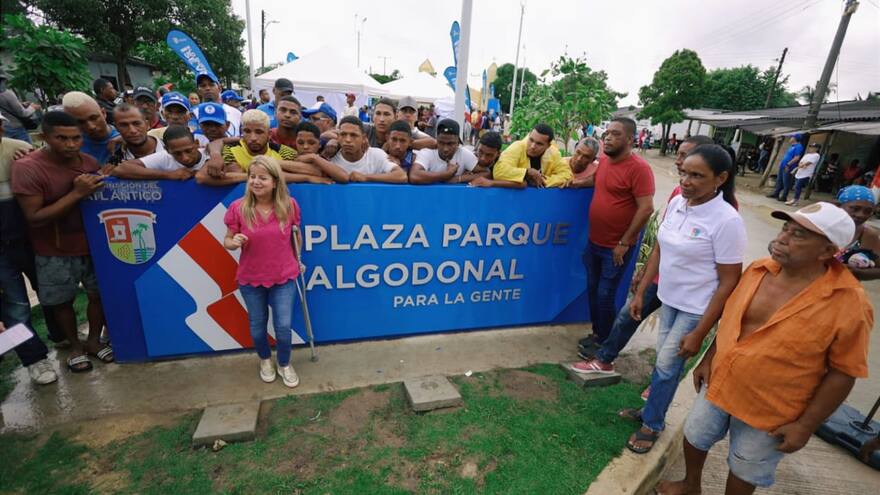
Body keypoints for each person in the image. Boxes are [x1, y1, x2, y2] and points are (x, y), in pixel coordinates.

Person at [655, 202, 870, 495]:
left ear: (827, 251)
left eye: (798, 235)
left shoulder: (849, 304)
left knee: (746, 465)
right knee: (695, 434)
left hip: (771, 407)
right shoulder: (758, 270)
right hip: (719, 381)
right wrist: (709, 358)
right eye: (785, 228)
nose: (782, 238)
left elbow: (844, 373)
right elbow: (732, 320)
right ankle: (690, 484)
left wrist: (805, 426)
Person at [618, 144, 745, 455]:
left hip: (697, 308)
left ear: (720, 178)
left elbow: (730, 281)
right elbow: (660, 249)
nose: (686, 181)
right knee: (665, 362)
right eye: (684, 173)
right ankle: (652, 412)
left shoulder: (727, 220)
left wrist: (700, 331)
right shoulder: (678, 203)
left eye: (697, 176)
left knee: (666, 364)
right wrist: (641, 292)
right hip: (669, 299)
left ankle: (652, 423)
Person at [573, 136, 716, 373]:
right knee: (619, 308)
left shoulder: (722, 211)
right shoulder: (677, 195)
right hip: (651, 270)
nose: (678, 161)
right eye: (679, 155)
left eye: (685, 156)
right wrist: (645, 273)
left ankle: (649, 374)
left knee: (611, 300)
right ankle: (602, 349)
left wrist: (625, 242)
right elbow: (663, 239)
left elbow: (646, 208)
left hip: (683, 286)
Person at [11, 111, 111, 373]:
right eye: (62, 138)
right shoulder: (27, 167)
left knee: (98, 294)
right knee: (62, 302)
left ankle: (94, 340)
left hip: (92, 244)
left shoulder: (88, 162)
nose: (70, 144)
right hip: (53, 249)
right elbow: (34, 217)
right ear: (44, 137)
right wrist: (77, 193)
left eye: (76, 138)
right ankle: (74, 347)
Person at [223, 155, 302, 388]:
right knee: (257, 326)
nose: (256, 181)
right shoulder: (238, 208)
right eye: (252, 177)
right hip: (251, 278)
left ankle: (284, 363)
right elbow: (227, 240)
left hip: (284, 277)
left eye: (263, 178)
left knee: (283, 327)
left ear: (275, 181)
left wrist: (298, 259)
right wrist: (233, 242)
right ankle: (265, 360)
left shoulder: (289, 205)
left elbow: (296, 235)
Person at [579, 118, 655, 352]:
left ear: (630, 139)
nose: (608, 138)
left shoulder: (639, 169)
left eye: (615, 134)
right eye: (607, 134)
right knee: (594, 291)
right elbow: (596, 180)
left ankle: (604, 342)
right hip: (594, 242)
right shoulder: (604, 162)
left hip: (616, 248)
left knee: (605, 295)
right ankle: (597, 334)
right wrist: (575, 183)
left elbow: (646, 208)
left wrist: (625, 241)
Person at [0, 112, 59, 384]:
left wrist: (30, 163)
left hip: (30, 239)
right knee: (14, 307)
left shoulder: (19, 150)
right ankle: (34, 359)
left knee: (50, 291)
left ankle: (61, 336)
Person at [198, 110, 297, 186]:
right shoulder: (230, 150)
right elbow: (201, 177)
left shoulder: (285, 153)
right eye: (247, 131)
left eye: (259, 132)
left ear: (269, 134)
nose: (253, 138)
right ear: (242, 132)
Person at [317, 116, 407, 184]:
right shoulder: (330, 157)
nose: (348, 140)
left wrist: (366, 177)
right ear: (338, 137)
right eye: (343, 134)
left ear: (363, 138)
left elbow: (401, 176)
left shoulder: (376, 155)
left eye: (354, 135)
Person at [486, 123, 572, 188]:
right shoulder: (517, 147)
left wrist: (542, 181)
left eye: (539, 144)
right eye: (531, 140)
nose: (532, 146)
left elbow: (567, 175)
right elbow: (499, 171)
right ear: (529, 135)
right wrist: (527, 173)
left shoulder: (554, 153)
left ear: (548, 146)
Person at [113, 125, 206, 181]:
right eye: (177, 154)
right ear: (167, 150)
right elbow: (120, 169)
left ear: (197, 143)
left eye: (188, 151)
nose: (185, 158)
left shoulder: (210, 154)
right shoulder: (165, 157)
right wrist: (169, 175)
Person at [410, 119, 487, 185]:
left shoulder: (463, 153)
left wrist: (459, 178)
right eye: (441, 143)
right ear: (436, 141)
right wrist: (446, 175)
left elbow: (487, 173)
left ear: (458, 143)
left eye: (450, 144)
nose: (445, 149)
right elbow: (414, 176)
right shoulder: (427, 152)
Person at [834, 185, 880, 280]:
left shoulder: (867, 235)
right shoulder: (820, 226)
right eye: (855, 209)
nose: (861, 215)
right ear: (839, 206)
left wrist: (857, 273)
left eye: (868, 211)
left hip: (841, 287)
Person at [61, 91, 119, 166]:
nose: (91, 126)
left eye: (94, 118)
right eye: (81, 122)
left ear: (103, 113)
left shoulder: (126, 137)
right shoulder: (72, 148)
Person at [0, 69, 41, 143]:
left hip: (3, 127)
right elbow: (23, 113)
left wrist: (21, 104)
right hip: (16, 127)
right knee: (27, 148)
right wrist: (33, 107)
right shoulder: (7, 94)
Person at [767, 134, 804, 202]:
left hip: (788, 166)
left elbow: (797, 157)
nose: (790, 138)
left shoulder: (799, 146)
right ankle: (776, 193)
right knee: (779, 180)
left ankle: (784, 196)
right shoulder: (792, 146)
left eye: (792, 137)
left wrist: (788, 164)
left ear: (795, 138)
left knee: (786, 182)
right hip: (783, 165)